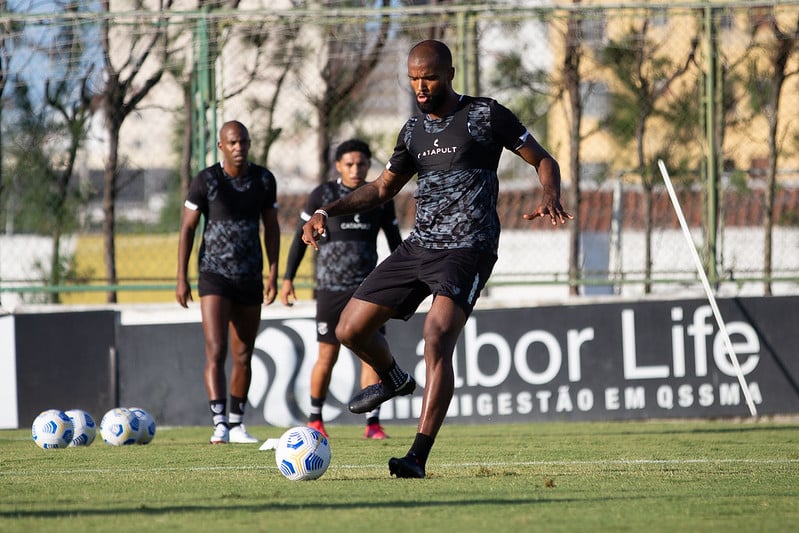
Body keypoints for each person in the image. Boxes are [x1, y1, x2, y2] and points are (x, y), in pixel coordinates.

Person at [301, 40, 572, 478]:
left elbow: (543, 159)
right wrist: (323, 211)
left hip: (468, 248)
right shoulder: (412, 131)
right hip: (419, 246)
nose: (420, 86)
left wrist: (550, 193)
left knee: (436, 337)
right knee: (348, 329)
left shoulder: (485, 115)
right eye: (413, 78)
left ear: (448, 73)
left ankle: (416, 457)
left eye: (428, 77)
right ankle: (393, 378)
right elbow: (382, 188)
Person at [280, 139, 403, 440]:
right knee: (327, 354)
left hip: (368, 290)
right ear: (338, 166)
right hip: (331, 289)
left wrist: (404, 284)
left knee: (371, 355)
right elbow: (300, 238)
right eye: (349, 164)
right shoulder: (323, 196)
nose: (356, 169)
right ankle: (315, 419)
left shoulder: (380, 197)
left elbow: (396, 242)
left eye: (361, 164)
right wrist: (287, 279)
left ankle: (373, 423)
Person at [176, 120, 280, 445]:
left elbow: (272, 227)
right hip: (214, 275)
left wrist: (274, 272)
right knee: (216, 348)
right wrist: (181, 277)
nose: (239, 148)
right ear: (221, 145)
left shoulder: (264, 179)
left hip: (250, 276)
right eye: (233, 143)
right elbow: (188, 229)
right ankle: (219, 422)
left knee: (244, 354)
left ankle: (237, 424)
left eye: (244, 142)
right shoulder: (207, 180)